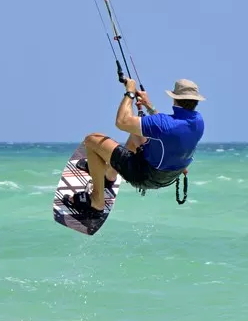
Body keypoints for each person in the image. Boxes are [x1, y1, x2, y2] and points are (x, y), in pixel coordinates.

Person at [66, 78, 206, 217]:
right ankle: (109, 176)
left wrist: (130, 92)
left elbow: (122, 122)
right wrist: (148, 105)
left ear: (174, 99)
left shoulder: (164, 124)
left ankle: (97, 202)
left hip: (145, 175)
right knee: (135, 132)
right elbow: (167, 128)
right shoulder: (198, 121)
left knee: (92, 140)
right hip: (169, 175)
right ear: (196, 101)